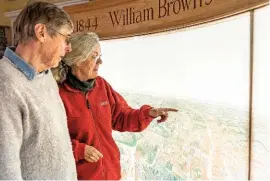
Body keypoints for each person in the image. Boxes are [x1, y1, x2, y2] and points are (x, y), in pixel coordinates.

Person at [52, 32, 178, 180]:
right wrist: (79, 150)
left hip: (112, 174)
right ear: (78, 60)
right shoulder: (57, 94)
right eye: (94, 56)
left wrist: (148, 113)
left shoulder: (102, 86)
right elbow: (50, 141)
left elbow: (122, 117)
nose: (100, 62)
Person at [0, 2, 77, 180]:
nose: (69, 47)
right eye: (66, 38)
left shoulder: (46, 75)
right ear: (41, 32)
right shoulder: (5, 84)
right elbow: (6, 171)